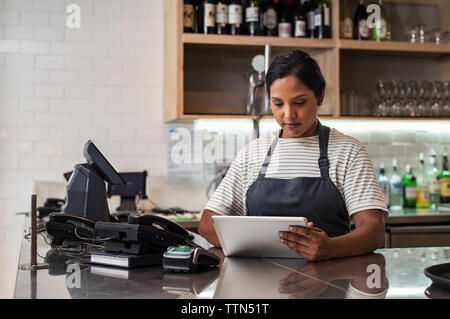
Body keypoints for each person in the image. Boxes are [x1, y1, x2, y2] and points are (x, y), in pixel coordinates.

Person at [199, 50, 388, 262]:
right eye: (278, 104)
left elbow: (373, 230)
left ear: (320, 95)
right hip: (260, 284)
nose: (288, 114)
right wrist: (263, 244)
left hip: (332, 280)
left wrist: (331, 248)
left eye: (299, 102)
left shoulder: (349, 152)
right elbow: (207, 224)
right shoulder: (252, 154)